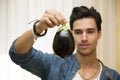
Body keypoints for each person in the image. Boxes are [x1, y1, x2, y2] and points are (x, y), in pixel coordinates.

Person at [9, 6, 120, 80]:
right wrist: (39, 27)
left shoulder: (113, 76)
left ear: (99, 34)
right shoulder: (54, 65)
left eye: (90, 31)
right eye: (78, 32)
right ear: (71, 34)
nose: (84, 38)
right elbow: (17, 54)